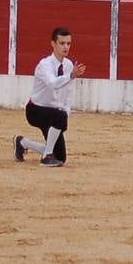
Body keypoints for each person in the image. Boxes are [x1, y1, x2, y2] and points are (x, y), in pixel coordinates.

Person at [15, 26, 87, 167]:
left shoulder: (68, 65)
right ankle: (46, 156)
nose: (66, 47)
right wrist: (71, 75)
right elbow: (53, 83)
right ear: (53, 44)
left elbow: (68, 92)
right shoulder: (44, 64)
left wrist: (65, 115)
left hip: (53, 114)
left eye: (68, 43)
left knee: (60, 158)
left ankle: (22, 143)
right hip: (36, 110)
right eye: (62, 43)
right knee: (59, 117)